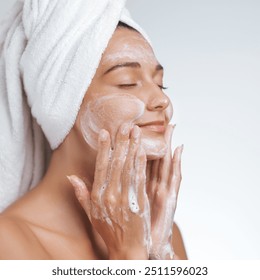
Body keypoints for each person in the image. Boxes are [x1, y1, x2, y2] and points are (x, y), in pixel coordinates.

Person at [0, 0, 187, 260]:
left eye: (161, 84)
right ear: (63, 104)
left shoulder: (162, 235)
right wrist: (129, 256)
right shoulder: (9, 245)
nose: (162, 101)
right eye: (127, 83)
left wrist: (157, 256)